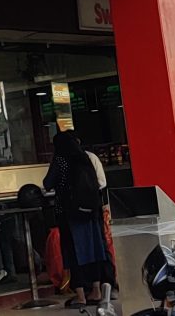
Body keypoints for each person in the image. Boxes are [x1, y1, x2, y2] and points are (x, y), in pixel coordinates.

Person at [44, 131, 114, 308]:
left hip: (69, 215)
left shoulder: (61, 160)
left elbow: (47, 183)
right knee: (94, 251)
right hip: (91, 212)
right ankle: (96, 291)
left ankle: (81, 296)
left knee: (73, 253)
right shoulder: (86, 157)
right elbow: (99, 183)